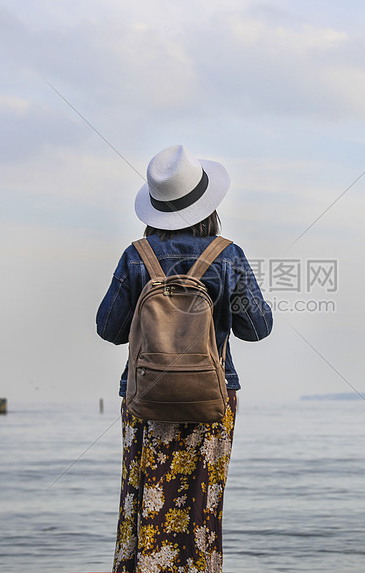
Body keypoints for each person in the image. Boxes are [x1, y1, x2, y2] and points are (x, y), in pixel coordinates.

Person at [96, 144, 273, 573]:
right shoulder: (227, 255)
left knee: (145, 500)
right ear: (206, 203)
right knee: (200, 504)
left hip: (145, 398)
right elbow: (258, 328)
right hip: (211, 397)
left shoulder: (137, 256)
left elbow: (109, 329)